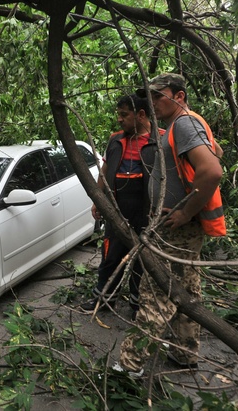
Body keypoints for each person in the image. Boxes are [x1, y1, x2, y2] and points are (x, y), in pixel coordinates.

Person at [117, 73, 225, 375]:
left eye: (158, 95)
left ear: (179, 96)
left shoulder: (184, 123)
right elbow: (218, 153)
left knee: (157, 293)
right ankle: (184, 351)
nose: (152, 102)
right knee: (187, 291)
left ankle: (129, 366)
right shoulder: (186, 123)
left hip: (175, 226)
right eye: (149, 96)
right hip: (180, 228)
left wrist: (187, 212)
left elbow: (212, 171)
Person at [79, 94, 161, 319]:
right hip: (117, 210)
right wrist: (98, 200)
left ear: (141, 115)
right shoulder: (115, 140)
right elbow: (105, 172)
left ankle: (137, 306)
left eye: (124, 115)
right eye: (119, 114)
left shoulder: (161, 141)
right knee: (110, 256)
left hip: (145, 213)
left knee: (141, 261)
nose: (119, 119)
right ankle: (104, 298)